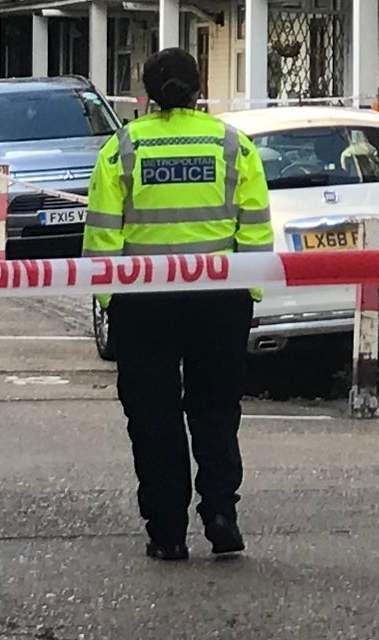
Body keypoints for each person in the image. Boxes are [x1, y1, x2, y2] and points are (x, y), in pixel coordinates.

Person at [82, 48, 273, 561]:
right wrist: (249, 293)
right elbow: (255, 231)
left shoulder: (122, 149)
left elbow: (102, 235)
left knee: (153, 417)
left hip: (144, 306)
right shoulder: (235, 147)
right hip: (219, 301)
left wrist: (108, 301)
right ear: (198, 88)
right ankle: (220, 513)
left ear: (144, 94)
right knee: (215, 411)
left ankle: (166, 531)